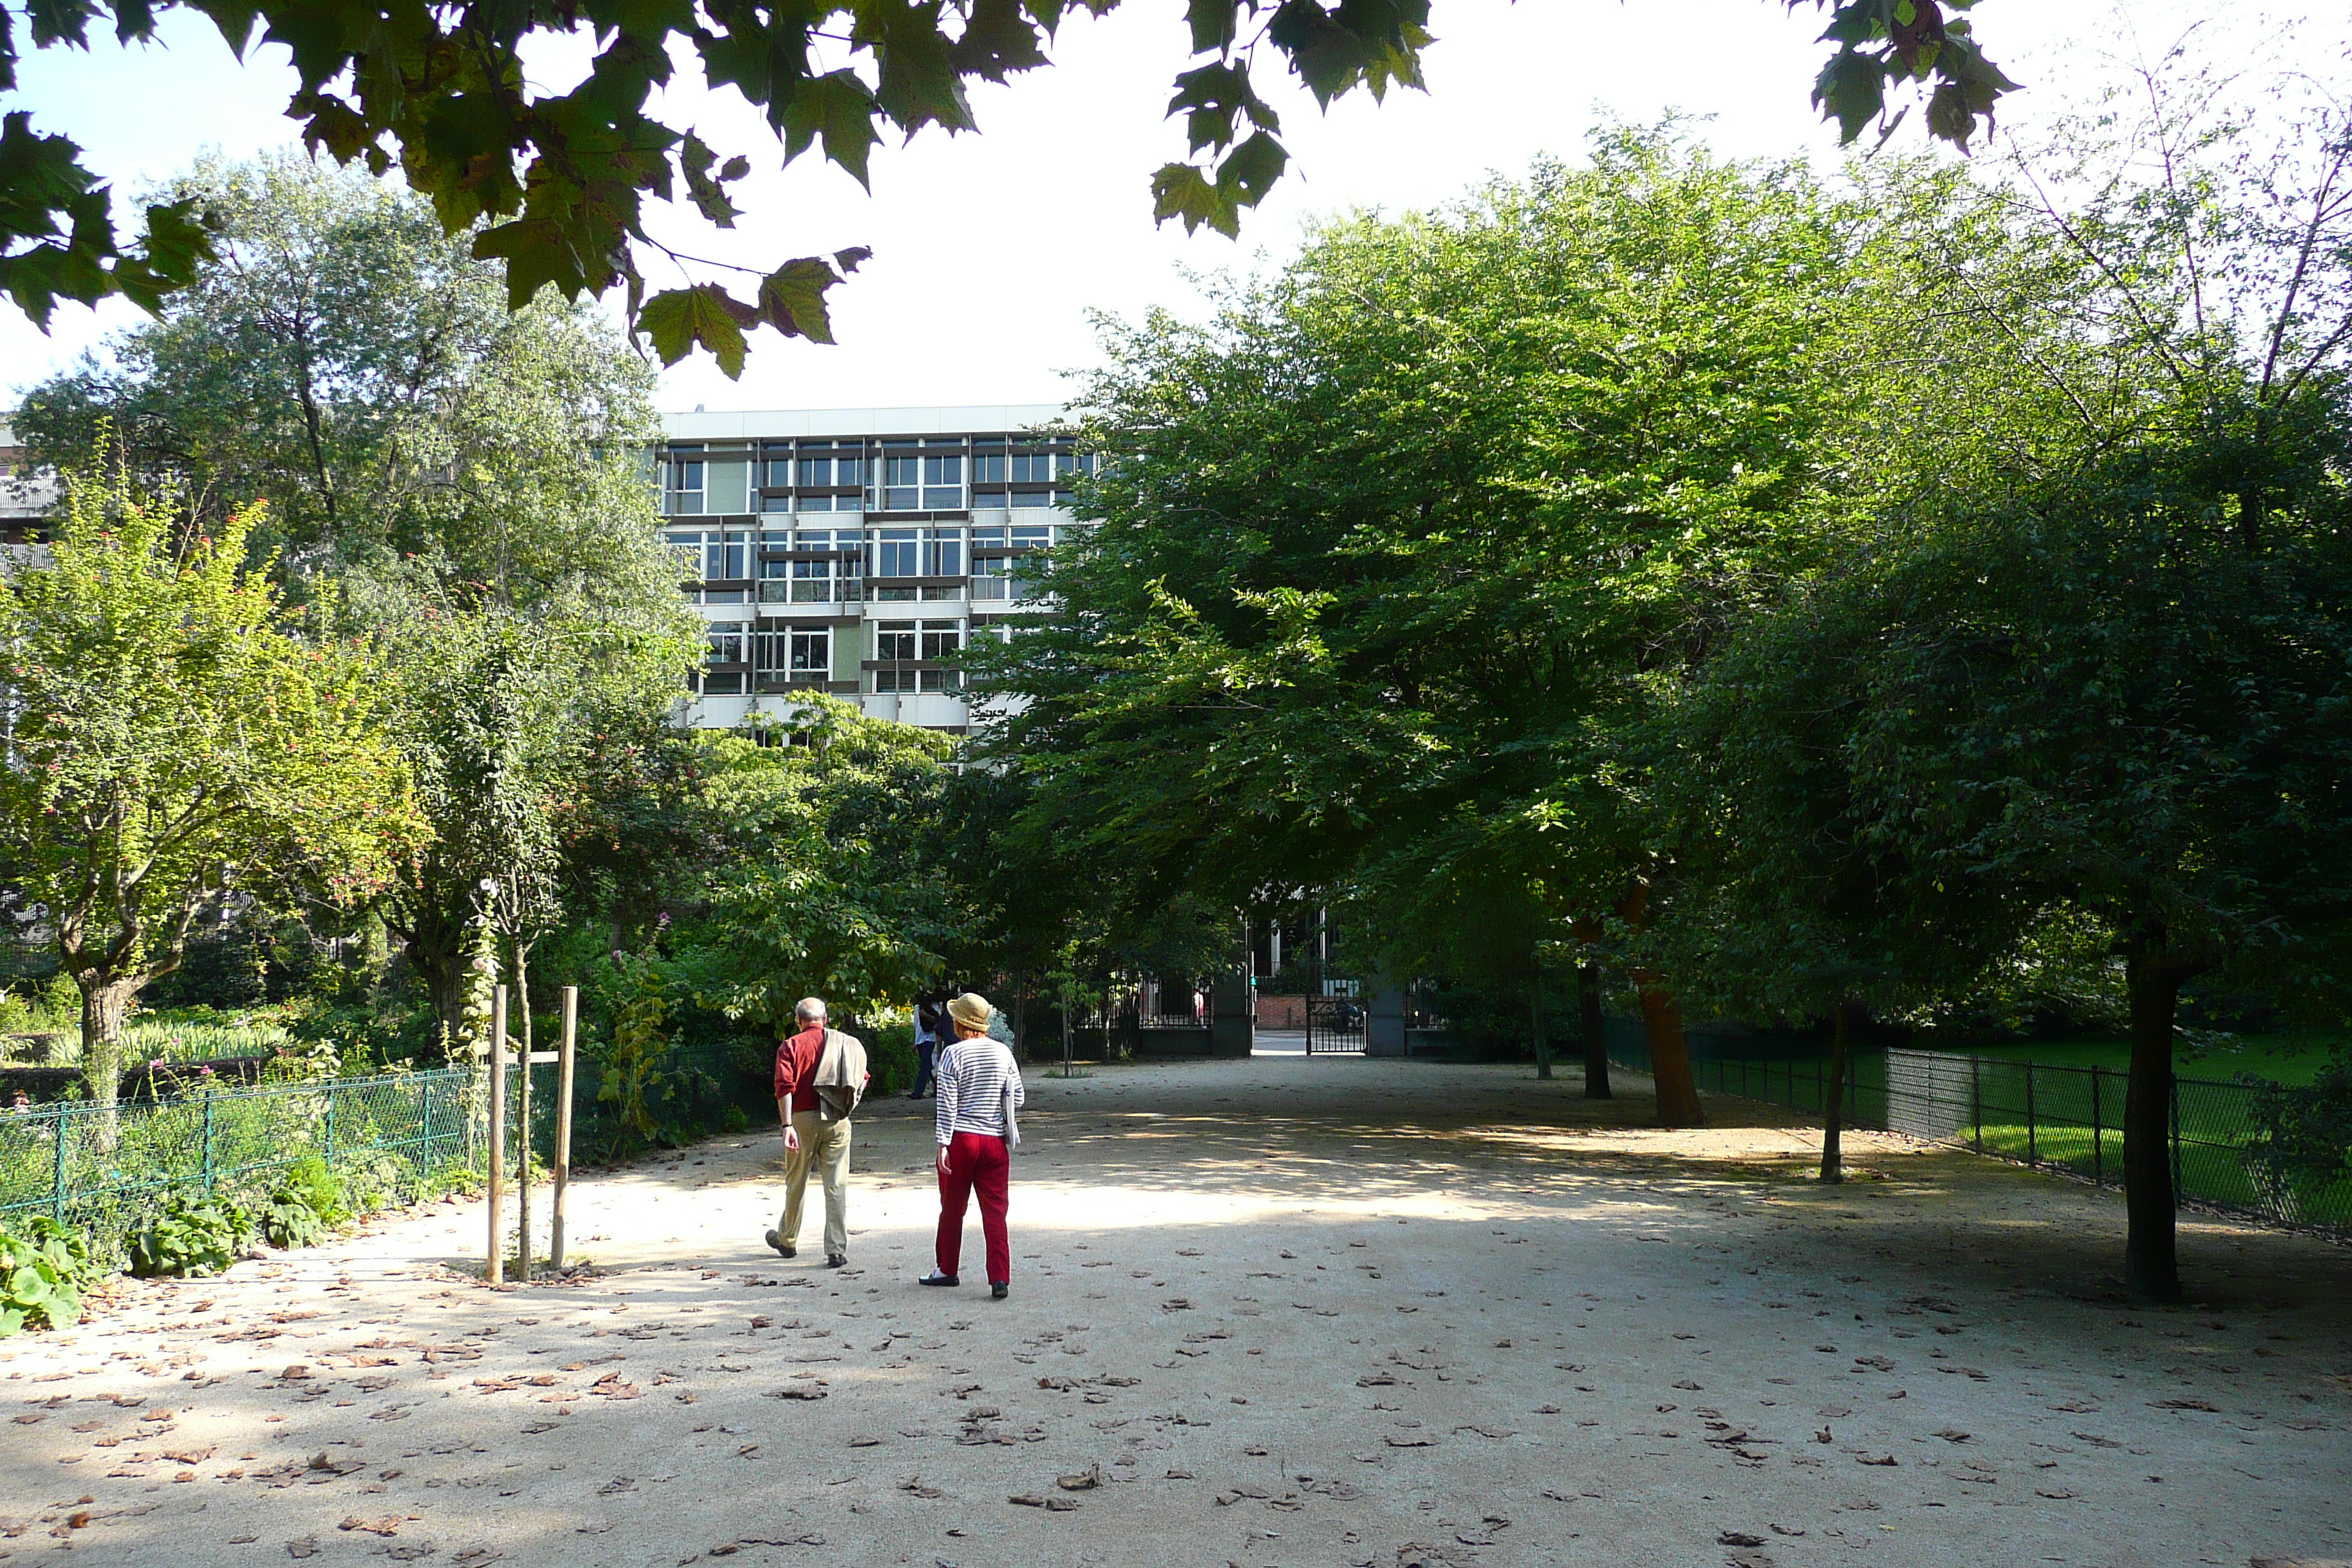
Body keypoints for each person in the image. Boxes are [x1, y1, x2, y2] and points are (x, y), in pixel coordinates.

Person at [919, 992, 1024, 1300]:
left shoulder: (954, 1054)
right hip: (994, 1142)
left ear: (959, 1023)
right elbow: (1017, 1097)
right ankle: (1000, 1277)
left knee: (952, 1208)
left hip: (962, 1140)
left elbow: (947, 1105)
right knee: (995, 1212)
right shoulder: (1003, 1053)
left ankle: (947, 1270)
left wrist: (943, 1144)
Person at [766, 996, 868, 1268]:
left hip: (801, 1120)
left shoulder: (790, 1046)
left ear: (799, 1021)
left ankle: (787, 1240)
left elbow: (785, 1088)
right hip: (837, 1120)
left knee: (796, 1181)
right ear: (825, 1019)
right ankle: (835, 1250)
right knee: (836, 1185)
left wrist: (787, 1126)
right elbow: (863, 1078)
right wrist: (846, 1106)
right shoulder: (846, 1043)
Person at [908, 1000, 939, 1099]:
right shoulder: (917, 1007)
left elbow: (937, 1020)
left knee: (924, 1065)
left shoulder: (933, 1005)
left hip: (930, 1038)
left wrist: (925, 1015)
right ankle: (938, 1087)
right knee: (928, 1066)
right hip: (920, 1040)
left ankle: (918, 1091)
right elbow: (916, 1026)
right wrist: (915, 1041)